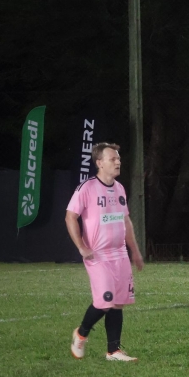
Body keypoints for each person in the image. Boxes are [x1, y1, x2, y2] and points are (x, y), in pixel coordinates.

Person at [66, 143, 144, 362]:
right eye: (113, 159)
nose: (118, 162)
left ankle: (113, 351)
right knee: (105, 301)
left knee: (117, 302)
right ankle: (81, 334)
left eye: (118, 158)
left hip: (120, 254)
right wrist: (81, 246)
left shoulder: (119, 188)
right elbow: (70, 216)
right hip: (98, 255)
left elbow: (125, 220)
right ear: (99, 163)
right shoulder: (87, 188)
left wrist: (135, 251)